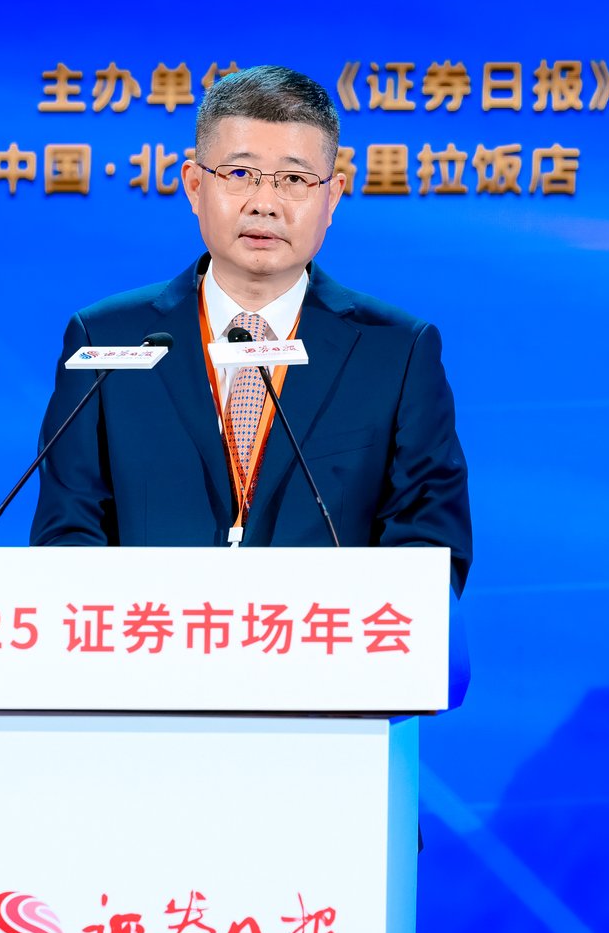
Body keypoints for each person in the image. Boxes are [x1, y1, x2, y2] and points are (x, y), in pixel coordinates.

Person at [30, 65, 472, 596]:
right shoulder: (105, 338)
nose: (264, 203)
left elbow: (428, 543)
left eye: (294, 180)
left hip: (322, 642)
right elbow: (67, 533)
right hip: (153, 641)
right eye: (239, 174)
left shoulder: (397, 352)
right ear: (195, 185)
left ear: (332, 197)